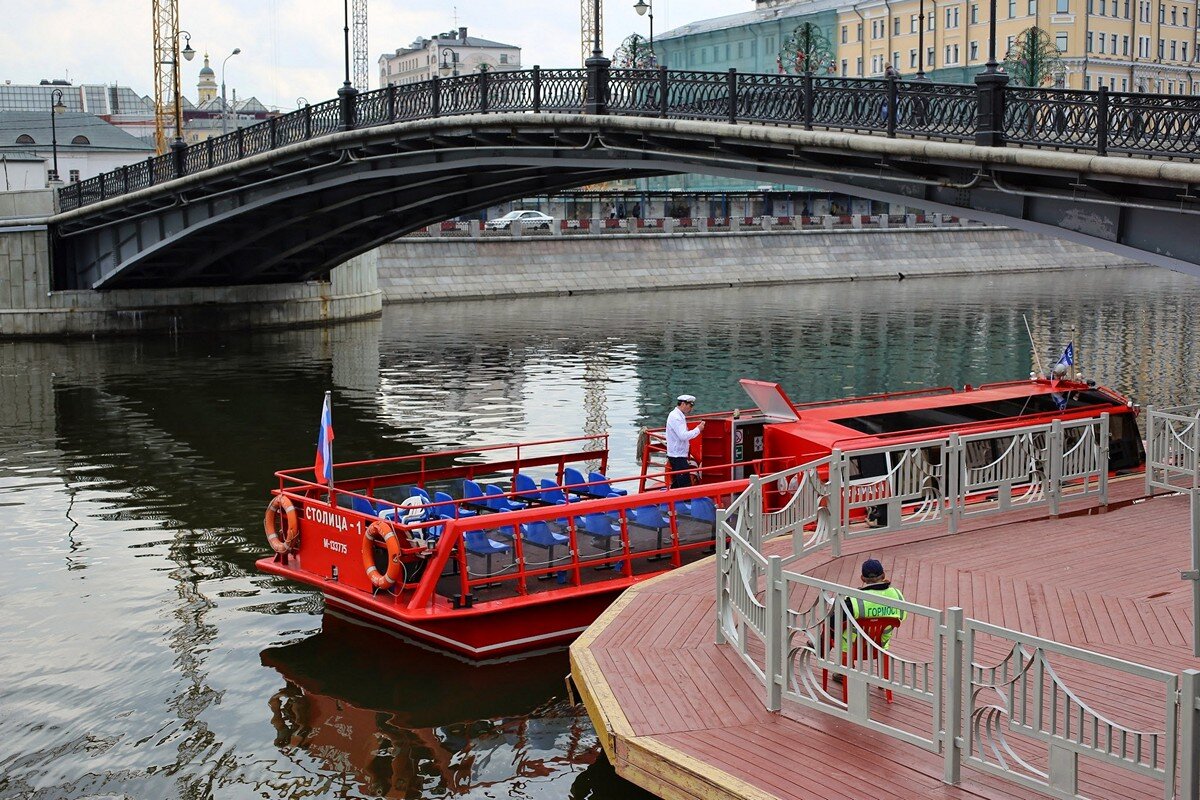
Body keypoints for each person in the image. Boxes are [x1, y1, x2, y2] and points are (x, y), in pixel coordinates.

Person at [843, 558, 906, 651]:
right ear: (883, 575)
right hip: (880, 647)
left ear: (862, 578)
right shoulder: (897, 595)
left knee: (829, 624)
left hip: (851, 648)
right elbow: (902, 617)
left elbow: (835, 621)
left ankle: (820, 648)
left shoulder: (854, 600)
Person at [665, 394, 704, 489]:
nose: (691, 409)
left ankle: (672, 500)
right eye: (690, 406)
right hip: (677, 456)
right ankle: (685, 502)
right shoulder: (676, 417)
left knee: (678, 482)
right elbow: (683, 436)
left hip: (678, 454)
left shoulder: (678, 415)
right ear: (683, 404)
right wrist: (698, 429)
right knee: (684, 484)